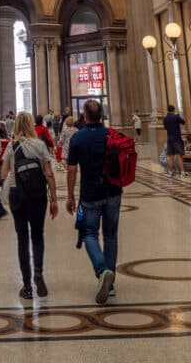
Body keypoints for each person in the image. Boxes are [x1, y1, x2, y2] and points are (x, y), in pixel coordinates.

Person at [66, 98, 122, 306]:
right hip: (114, 191)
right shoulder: (111, 135)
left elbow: (72, 170)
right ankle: (111, 283)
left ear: (85, 116)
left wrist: (70, 196)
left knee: (88, 232)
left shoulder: (78, 138)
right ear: (101, 116)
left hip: (90, 195)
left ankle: (102, 270)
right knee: (111, 236)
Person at [1, 111, 58, 300]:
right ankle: (39, 273)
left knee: (22, 239)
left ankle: (27, 287)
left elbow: (3, 174)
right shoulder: (40, 145)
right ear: (32, 125)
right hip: (37, 194)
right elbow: (49, 173)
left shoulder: (11, 146)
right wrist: (54, 199)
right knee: (38, 236)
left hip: (17, 195)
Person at [163, 104, 186, 178]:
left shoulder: (165, 118)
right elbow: (183, 122)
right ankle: (182, 173)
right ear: (173, 109)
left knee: (170, 156)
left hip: (169, 138)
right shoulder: (176, 117)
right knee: (179, 155)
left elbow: (165, 128)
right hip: (177, 138)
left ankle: (170, 172)